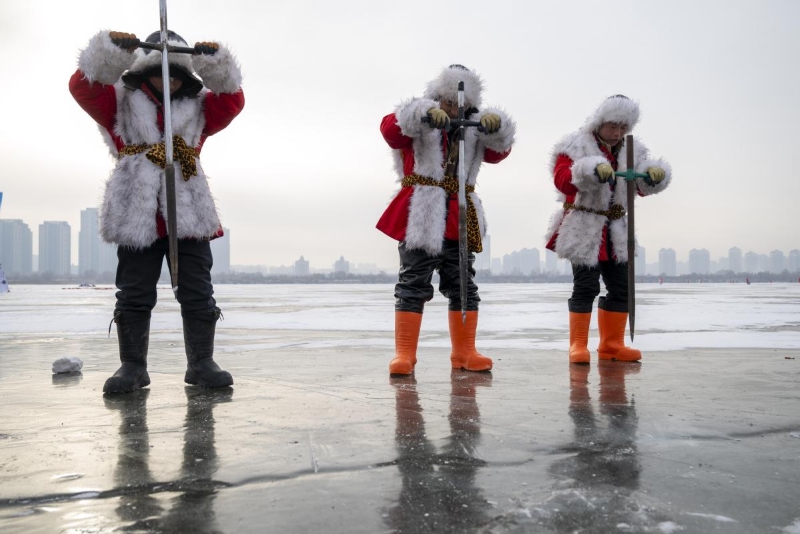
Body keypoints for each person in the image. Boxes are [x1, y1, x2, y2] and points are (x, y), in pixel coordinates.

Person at [70, 30, 245, 393]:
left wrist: (215, 64)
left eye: (178, 72)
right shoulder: (117, 101)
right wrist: (110, 54)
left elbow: (232, 100)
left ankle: (201, 363)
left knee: (198, 291)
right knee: (133, 292)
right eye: (161, 71)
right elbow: (81, 86)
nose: (170, 79)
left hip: (189, 210)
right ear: (143, 70)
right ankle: (132, 366)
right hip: (138, 209)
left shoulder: (200, 105)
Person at [377, 64, 515, 376]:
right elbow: (391, 130)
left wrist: (496, 126)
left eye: (460, 104)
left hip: (460, 211)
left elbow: (499, 152)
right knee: (412, 283)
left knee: (463, 284)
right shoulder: (419, 118)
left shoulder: (474, 126)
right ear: (438, 97)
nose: (455, 108)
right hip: (422, 213)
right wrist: (425, 115)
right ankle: (405, 354)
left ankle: (465, 352)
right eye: (449, 102)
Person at [544, 95, 671, 363]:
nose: (617, 133)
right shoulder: (575, 146)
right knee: (586, 287)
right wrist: (590, 172)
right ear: (600, 122)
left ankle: (612, 344)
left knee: (622, 287)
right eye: (613, 126)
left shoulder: (633, 152)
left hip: (616, 229)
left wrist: (652, 177)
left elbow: (637, 188)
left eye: (623, 128)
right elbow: (563, 180)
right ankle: (578, 345)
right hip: (584, 226)